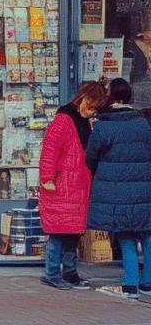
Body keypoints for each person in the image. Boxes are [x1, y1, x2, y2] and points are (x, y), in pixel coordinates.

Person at [85, 77, 151, 299]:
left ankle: (130, 283)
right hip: (144, 189)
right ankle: (148, 282)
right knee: (146, 234)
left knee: (125, 234)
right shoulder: (143, 123)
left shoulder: (103, 127)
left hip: (116, 190)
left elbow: (90, 158)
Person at [38, 81, 107, 290]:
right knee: (59, 233)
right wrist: (47, 179)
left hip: (77, 186)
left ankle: (69, 272)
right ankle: (51, 273)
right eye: (91, 106)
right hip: (61, 185)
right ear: (83, 98)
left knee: (73, 233)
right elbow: (50, 151)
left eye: (96, 109)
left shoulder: (84, 122)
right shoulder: (63, 120)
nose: (92, 111)